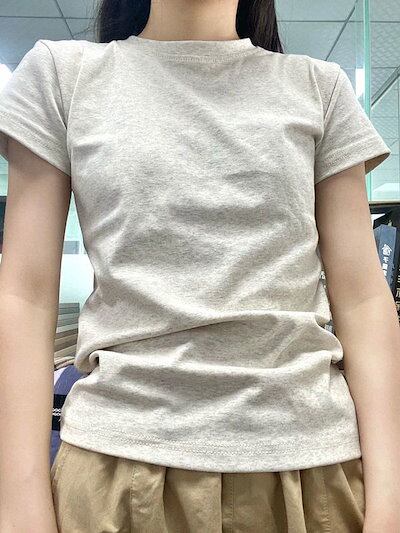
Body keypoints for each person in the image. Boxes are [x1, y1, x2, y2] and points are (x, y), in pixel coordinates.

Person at [0, 0, 399, 531]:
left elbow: (364, 301)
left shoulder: (319, 88)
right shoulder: (62, 76)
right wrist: (18, 507)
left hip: (314, 472)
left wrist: (391, 502)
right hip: (116, 471)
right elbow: (24, 298)